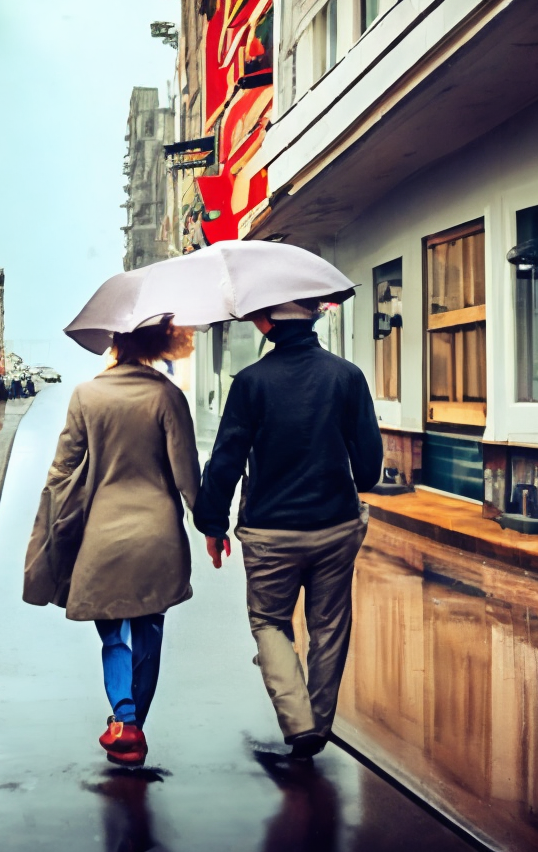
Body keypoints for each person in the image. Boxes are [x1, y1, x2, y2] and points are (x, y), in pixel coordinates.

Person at [193, 299, 383, 759]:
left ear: (266, 323)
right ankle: (317, 725)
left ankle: (297, 723)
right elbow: (370, 467)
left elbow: (226, 460)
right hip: (335, 525)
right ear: (314, 318)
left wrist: (212, 522)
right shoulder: (347, 376)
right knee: (330, 625)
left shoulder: (251, 383)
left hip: (269, 531)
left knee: (269, 622)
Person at [24, 318, 199, 767]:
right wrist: (211, 525)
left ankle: (123, 715)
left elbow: (63, 470)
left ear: (115, 342)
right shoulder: (168, 395)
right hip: (158, 536)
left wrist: (51, 525)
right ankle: (134, 721)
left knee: (113, 631)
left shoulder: (87, 395)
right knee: (149, 627)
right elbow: (187, 474)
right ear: (158, 343)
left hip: (102, 536)